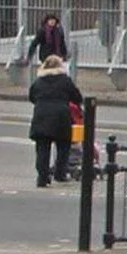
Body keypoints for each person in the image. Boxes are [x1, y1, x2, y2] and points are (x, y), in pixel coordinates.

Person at [28, 55, 84, 188]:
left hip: (41, 115)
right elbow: (77, 97)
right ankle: (60, 173)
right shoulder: (65, 80)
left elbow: (31, 97)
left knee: (42, 147)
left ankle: (42, 178)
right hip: (61, 116)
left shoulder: (38, 81)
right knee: (63, 146)